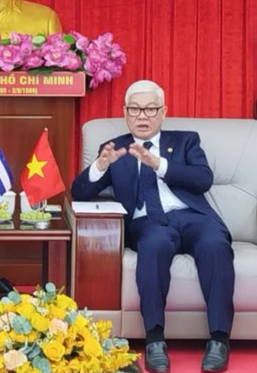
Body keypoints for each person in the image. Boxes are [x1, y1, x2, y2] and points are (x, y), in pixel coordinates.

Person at [71, 80, 234, 373]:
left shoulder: (186, 141)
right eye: (135, 109)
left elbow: (203, 179)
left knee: (215, 245)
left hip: (194, 217)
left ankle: (220, 339)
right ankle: (155, 340)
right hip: (148, 223)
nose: (142, 116)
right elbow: (79, 192)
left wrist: (158, 164)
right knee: (154, 246)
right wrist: (100, 166)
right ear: (125, 112)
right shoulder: (116, 149)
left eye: (149, 109)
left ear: (163, 112)